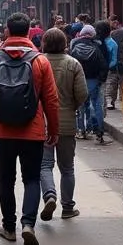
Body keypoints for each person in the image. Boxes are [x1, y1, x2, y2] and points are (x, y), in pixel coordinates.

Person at [0, 12, 59, 245]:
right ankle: (28, 224)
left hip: (3, 131)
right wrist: (53, 129)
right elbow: (51, 100)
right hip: (32, 131)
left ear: (7, 31)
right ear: (28, 32)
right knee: (32, 178)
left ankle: (8, 227)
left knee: (6, 179)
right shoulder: (40, 61)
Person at [38, 28, 87, 221]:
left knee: (44, 165)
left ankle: (50, 195)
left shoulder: (38, 62)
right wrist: (69, 107)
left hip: (43, 123)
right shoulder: (73, 63)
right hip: (66, 123)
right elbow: (82, 94)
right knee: (67, 167)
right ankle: (68, 207)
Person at [70, 24, 108, 142]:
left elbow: (71, 65)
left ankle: (81, 130)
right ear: (92, 35)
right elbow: (103, 65)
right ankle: (98, 132)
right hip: (94, 80)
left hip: (78, 80)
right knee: (96, 105)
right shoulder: (96, 47)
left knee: (80, 106)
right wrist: (101, 79)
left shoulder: (74, 47)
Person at [95, 20, 119, 112]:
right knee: (107, 87)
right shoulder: (113, 43)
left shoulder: (96, 41)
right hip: (108, 69)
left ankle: (105, 104)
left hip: (99, 70)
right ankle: (107, 105)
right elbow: (114, 59)